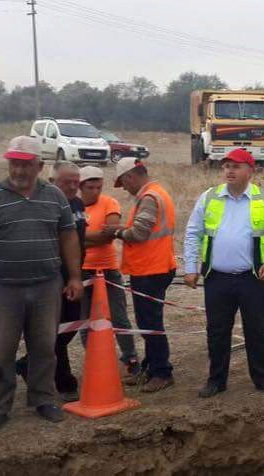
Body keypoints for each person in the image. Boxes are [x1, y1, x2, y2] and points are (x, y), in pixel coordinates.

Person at [0, 136, 84, 431]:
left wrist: (74, 276)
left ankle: (43, 399)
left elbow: (68, 237)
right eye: (14, 164)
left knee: (45, 347)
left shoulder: (55, 197)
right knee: (0, 350)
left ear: (40, 165)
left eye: (26, 165)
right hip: (1, 288)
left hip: (47, 285)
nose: (19, 171)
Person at [183, 148, 264, 397]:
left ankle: (263, 377)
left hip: (254, 278)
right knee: (217, 332)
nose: (229, 170)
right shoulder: (209, 198)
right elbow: (193, 233)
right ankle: (216, 380)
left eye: (236, 166)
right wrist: (191, 267)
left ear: (250, 171)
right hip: (217, 279)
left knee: (258, 330)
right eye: (226, 166)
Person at [14, 161, 87, 402]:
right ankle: (65, 383)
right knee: (54, 329)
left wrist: (76, 274)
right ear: (53, 181)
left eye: (77, 182)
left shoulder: (76, 204)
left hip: (73, 275)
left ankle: (29, 363)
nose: (74, 187)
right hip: (47, 278)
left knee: (70, 326)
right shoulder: (39, 205)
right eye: (68, 182)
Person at [111, 158, 177, 393]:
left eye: (124, 183)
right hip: (156, 266)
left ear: (130, 176)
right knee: (149, 322)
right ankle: (151, 369)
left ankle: (162, 372)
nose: (125, 189)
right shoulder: (156, 192)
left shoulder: (149, 198)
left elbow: (138, 233)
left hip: (151, 269)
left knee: (150, 324)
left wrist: (117, 231)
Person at [77, 165, 139, 376]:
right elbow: (64, 236)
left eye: (99, 187)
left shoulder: (110, 203)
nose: (95, 191)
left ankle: (130, 358)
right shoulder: (74, 206)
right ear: (80, 186)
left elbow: (110, 234)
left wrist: (78, 238)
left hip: (108, 270)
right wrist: (83, 238)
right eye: (90, 187)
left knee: (119, 317)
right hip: (82, 271)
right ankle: (95, 361)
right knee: (85, 320)